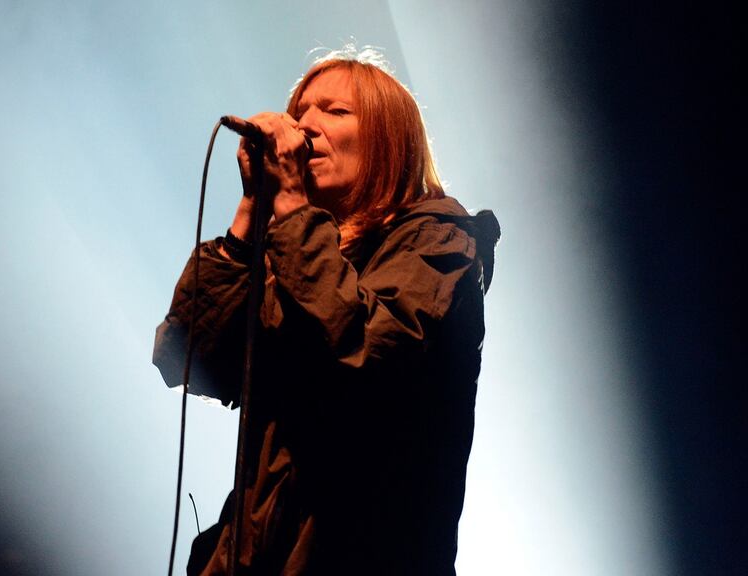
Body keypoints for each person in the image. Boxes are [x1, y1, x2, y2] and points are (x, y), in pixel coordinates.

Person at [153, 47, 500, 575]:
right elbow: (188, 357)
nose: (305, 126)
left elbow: (363, 353)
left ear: (388, 142)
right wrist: (252, 211)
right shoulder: (296, 254)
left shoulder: (440, 242)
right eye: (301, 112)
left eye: (335, 111)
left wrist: (293, 208)